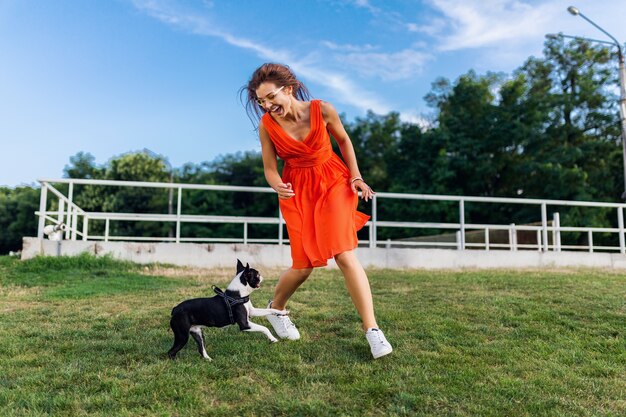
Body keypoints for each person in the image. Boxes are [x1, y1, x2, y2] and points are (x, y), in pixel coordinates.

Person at [241, 63, 392, 359]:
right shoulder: (267, 126)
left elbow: (344, 141)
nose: (267, 106)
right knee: (304, 265)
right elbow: (270, 169)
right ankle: (276, 308)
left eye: (271, 97)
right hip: (297, 189)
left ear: (289, 89)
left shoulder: (322, 110)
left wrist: (356, 176)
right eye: (261, 102)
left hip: (332, 180)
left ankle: (372, 330)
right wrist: (277, 186)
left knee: (343, 253)